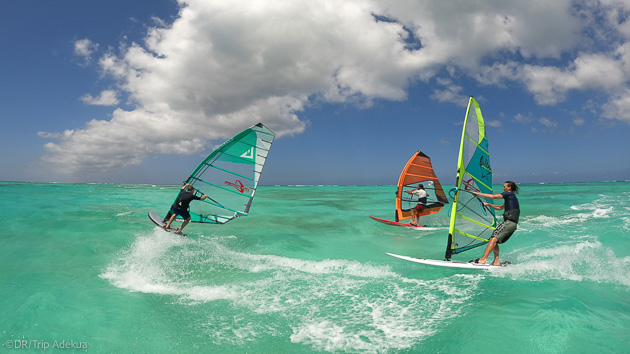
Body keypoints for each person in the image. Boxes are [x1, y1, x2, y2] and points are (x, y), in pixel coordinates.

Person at [471, 181, 520, 265]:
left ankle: (483, 260)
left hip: (509, 223)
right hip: (512, 224)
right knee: (495, 242)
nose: (503, 188)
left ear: (509, 188)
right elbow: (499, 207)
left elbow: (492, 196)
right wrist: (488, 204)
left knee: (493, 239)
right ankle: (496, 261)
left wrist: (478, 194)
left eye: (504, 186)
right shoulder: (511, 198)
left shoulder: (509, 194)